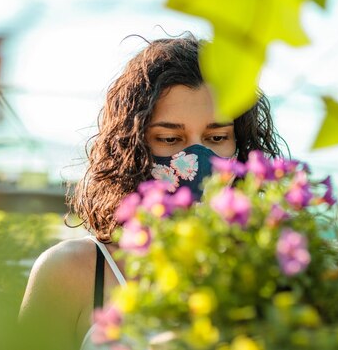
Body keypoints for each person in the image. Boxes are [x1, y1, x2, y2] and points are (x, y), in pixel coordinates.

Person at [19, 36, 282, 349]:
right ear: (133, 149)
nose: (196, 158)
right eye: (170, 139)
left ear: (239, 145)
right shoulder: (70, 271)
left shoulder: (267, 270)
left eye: (216, 137)